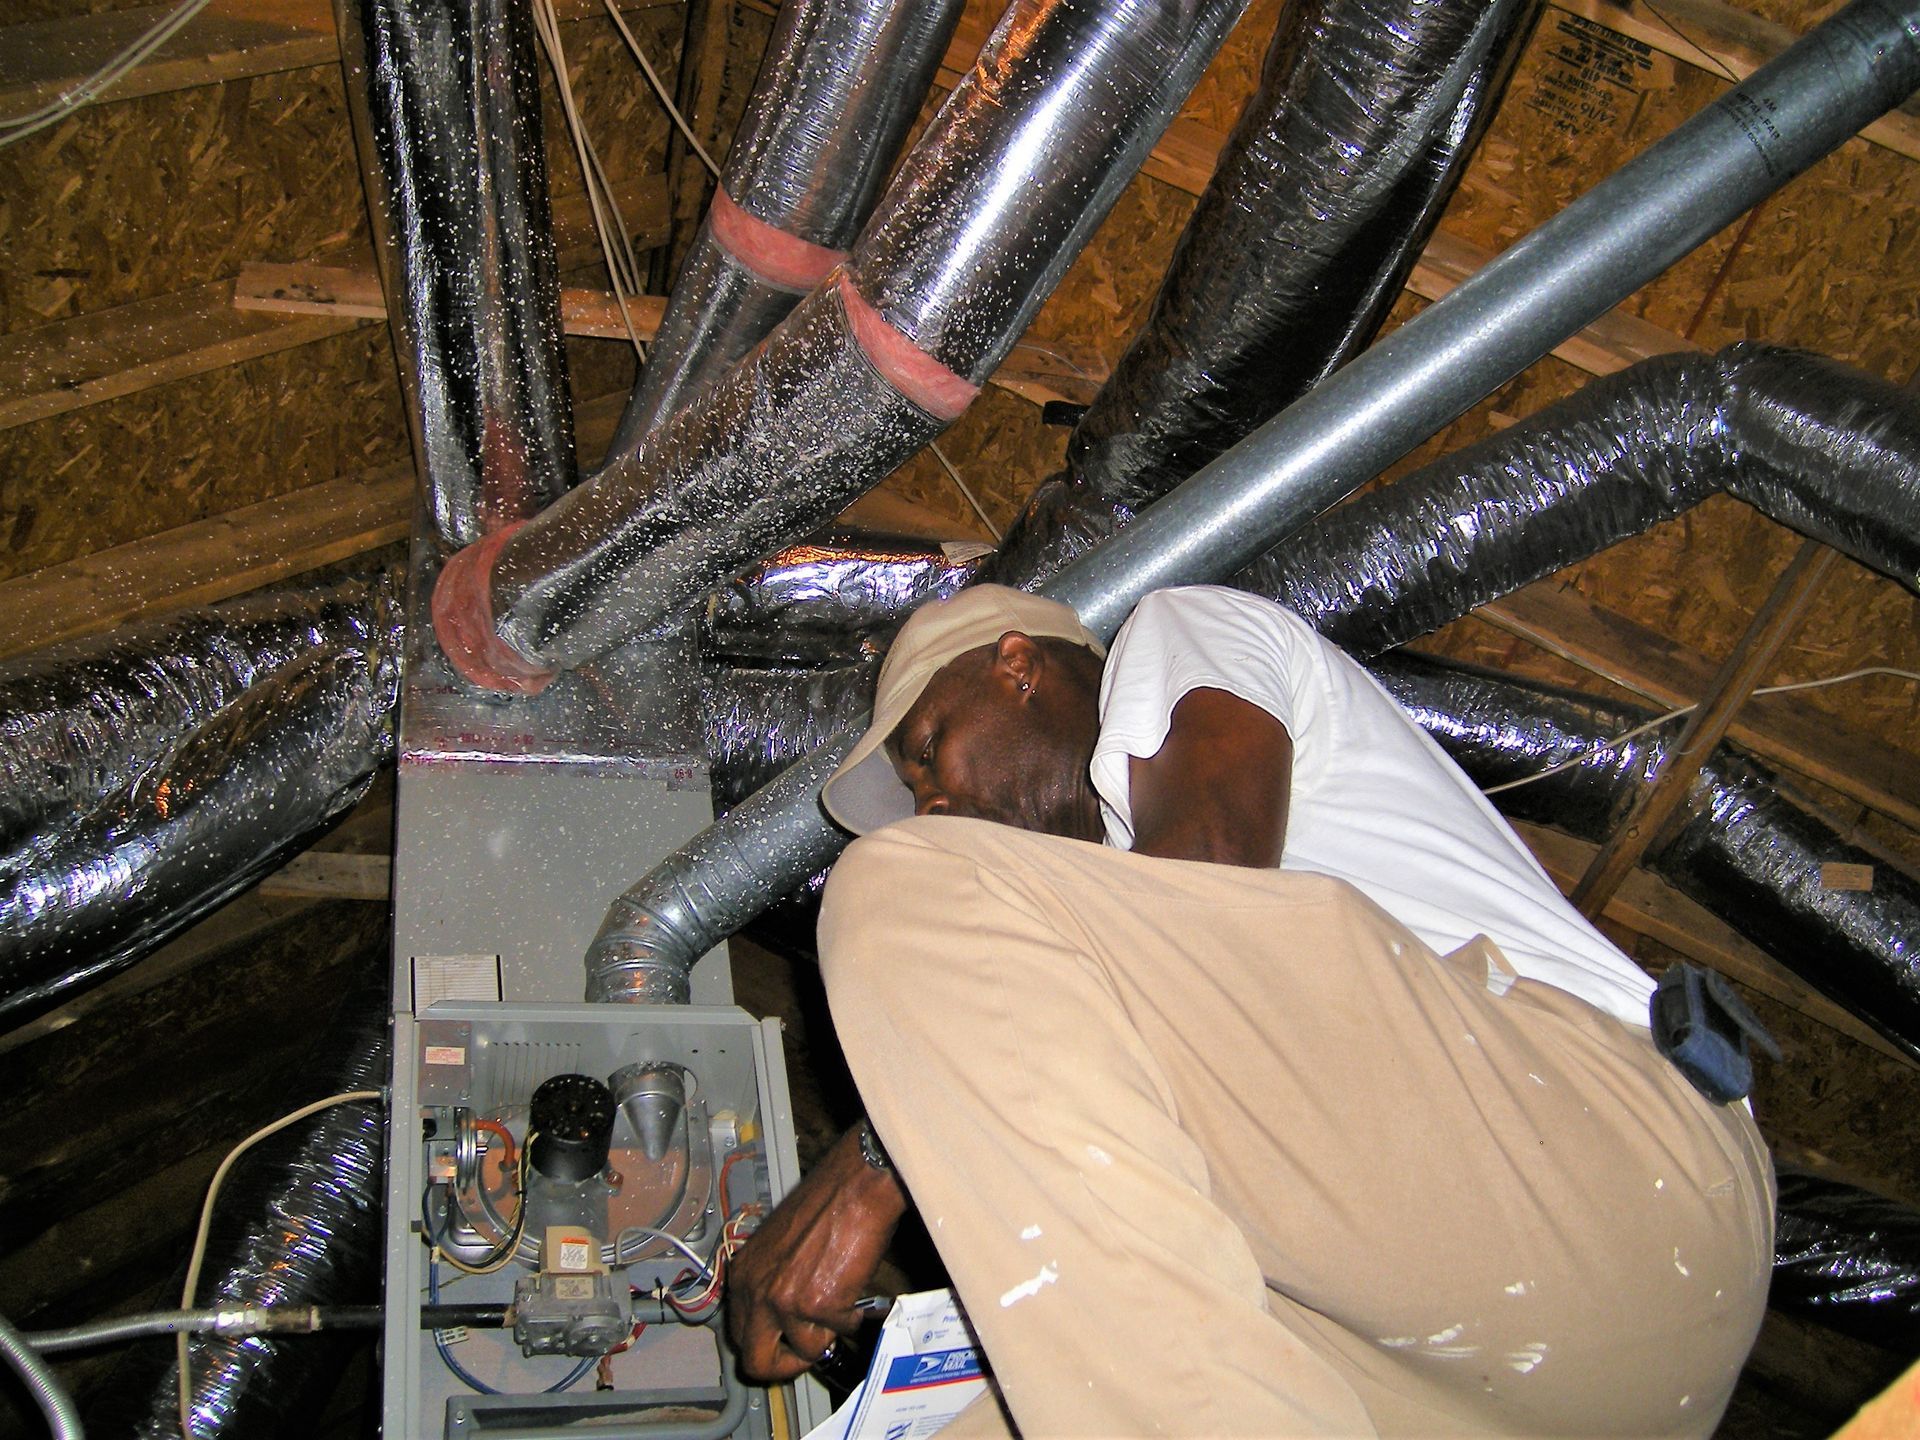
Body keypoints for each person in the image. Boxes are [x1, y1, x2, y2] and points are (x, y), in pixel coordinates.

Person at [728, 583, 1773, 1437]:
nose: (933, 803)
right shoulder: (1093, 971)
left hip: (1616, 1166)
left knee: (904, 885)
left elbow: (1211, 880)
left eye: (926, 751)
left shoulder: (1180, 637)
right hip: (1526, 1375)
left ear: (1016, 662)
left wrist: (869, 1172)